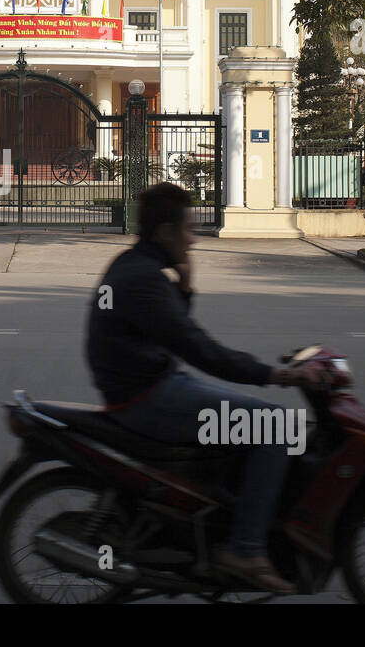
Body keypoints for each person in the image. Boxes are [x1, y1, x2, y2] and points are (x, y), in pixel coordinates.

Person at [86, 182, 328, 594]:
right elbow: (201, 350)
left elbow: (167, 330)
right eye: (188, 229)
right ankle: (246, 549)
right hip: (148, 397)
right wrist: (277, 375)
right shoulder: (142, 279)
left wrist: (184, 284)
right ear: (165, 232)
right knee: (275, 427)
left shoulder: (134, 266)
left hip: (150, 385)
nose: (194, 239)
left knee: (248, 419)